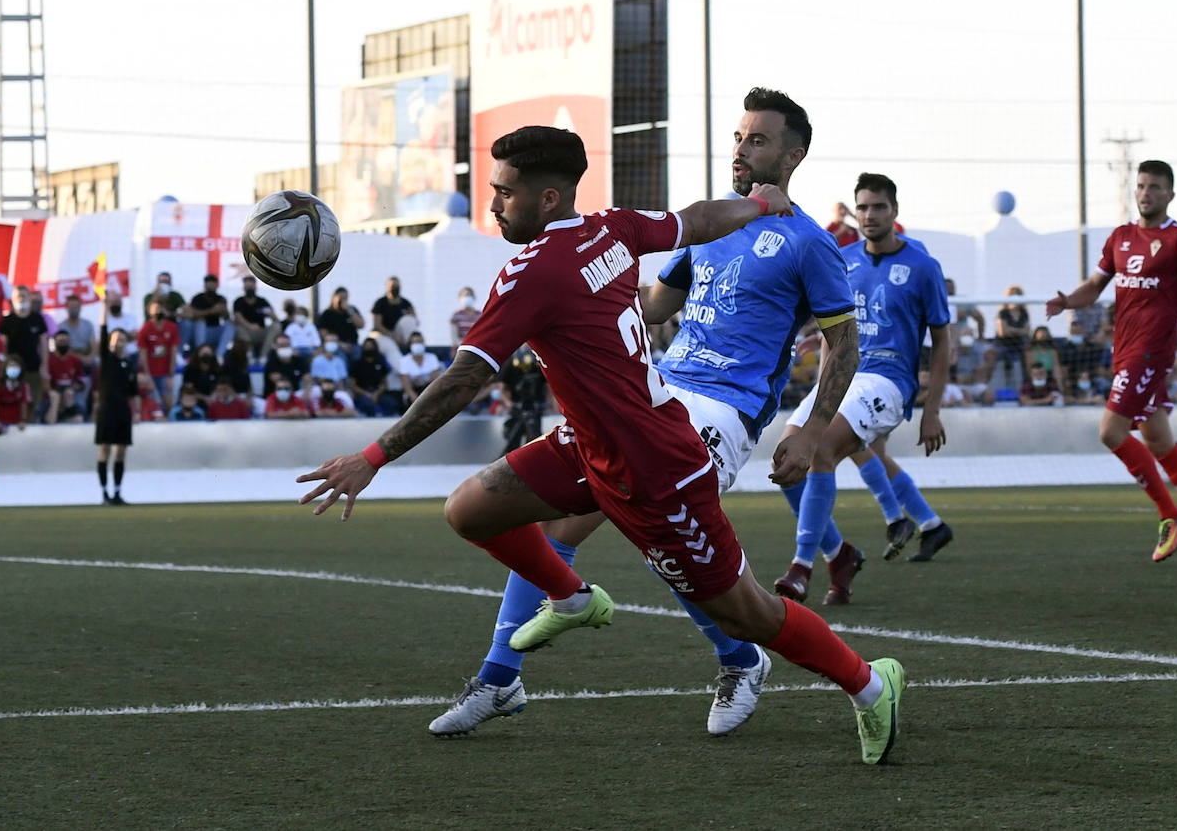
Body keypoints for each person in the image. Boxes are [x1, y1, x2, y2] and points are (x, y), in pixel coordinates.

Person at [298, 123, 905, 764]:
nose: (494, 205)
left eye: (504, 192)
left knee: (747, 613)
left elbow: (465, 379)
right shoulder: (613, 229)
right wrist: (757, 204)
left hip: (661, 467)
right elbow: (695, 223)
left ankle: (868, 684)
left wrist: (371, 458)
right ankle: (566, 602)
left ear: (549, 199)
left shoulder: (532, 273)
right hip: (598, 440)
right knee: (470, 508)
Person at [775, 171, 952, 604]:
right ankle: (840, 555)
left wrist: (931, 410)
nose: (870, 215)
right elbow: (830, 314)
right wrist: (817, 333)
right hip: (842, 374)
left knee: (818, 450)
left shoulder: (922, 266)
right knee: (786, 459)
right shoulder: (844, 258)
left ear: (894, 211)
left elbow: (943, 340)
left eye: (879, 207)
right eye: (864, 207)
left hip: (888, 381)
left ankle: (801, 566)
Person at [1047, 159, 1177, 564]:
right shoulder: (1120, 237)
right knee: (1158, 440)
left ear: (1170, 194)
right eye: (1140, 186)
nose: (1145, 193)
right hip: (1125, 350)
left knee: (1110, 431)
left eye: (1154, 187)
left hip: (1151, 352)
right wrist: (1067, 302)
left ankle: (1171, 514)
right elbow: (1094, 288)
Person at [94, 301, 141, 505]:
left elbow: (135, 391)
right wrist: (104, 308)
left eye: (121, 339)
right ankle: (105, 493)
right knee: (104, 449)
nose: (117, 342)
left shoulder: (130, 364)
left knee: (121, 452)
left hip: (123, 410)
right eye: (115, 339)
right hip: (106, 409)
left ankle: (118, 492)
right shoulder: (106, 359)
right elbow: (103, 331)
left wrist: (137, 412)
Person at [0, 286, 50, 423]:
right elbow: (3, 345)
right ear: (13, 299)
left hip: (33, 368)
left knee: (33, 401)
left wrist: (44, 367)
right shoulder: (7, 320)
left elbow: (44, 344)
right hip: (13, 370)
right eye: (18, 296)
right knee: (14, 401)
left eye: (24, 295)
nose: (21, 298)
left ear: (29, 298)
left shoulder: (37, 318)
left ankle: (30, 428)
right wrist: (3, 368)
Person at [137, 298, 181, 409]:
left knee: (168, 402)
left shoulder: (172, 328)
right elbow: (143, 354)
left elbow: (174, 351)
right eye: (155, 309)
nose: (158, 312)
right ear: (149, 312)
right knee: (152, 404)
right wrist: (148, 376)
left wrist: (171, 375)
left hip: (165, 373)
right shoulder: (144, 330)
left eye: (160, 308)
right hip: (151, 372)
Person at [183, 274, 233, 356]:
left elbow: (226, 317)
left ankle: (218, 356)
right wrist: (211, 311)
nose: (211, 286)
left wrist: (224, 311)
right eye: (209, 284)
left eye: (213, 284)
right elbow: (193, 314)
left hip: (214, 330)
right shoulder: (198, 298)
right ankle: (201, 353)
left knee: (231, 326)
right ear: (205, 285)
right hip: (200, 332)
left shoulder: (221, 298)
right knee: (200, 322)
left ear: (217, 285)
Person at [46, 329, 88, 423]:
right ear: (55, 343)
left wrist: (72, 388)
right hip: (53, 396)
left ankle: (65, 419)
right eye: (60, 341)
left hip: (70, 396)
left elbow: (82, 382)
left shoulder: (75, 360)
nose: (63, 344)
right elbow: (46, 385)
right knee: (54, 399)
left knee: (79, 418)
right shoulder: (49, 360)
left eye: (65, 341)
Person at [348, 336, 397, 417]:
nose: (369, 348)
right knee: (368, 404)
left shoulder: (380, 363)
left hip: (378, 393)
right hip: (362, 394)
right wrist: (367, 394)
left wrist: (376, 394)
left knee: (391, 402)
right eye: (367, 346)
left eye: (371, 346)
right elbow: (353, 385)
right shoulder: (357, 364)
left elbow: (385, 384)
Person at [232, 275, 274, 359]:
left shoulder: (262, 301)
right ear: (243, 287)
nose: (249, 289)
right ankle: (249, 353)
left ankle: (264, 355)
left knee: (276, 326)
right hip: (246, 332)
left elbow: (274, 317)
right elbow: (238, 317)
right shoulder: (238, 301)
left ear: (255, 287)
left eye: (251, 286)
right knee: (238, 328)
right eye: (247, 286)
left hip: (260, 331)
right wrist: (250, 326)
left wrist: (271, 314)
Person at [317, 287, 366, 359]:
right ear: (334, 298)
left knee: (359, 356)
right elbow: (323, 333)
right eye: (340, 299)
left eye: (345, 299)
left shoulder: (351, 310)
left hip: (353, 344)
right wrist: (339, 344)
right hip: (336, 345)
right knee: (341, 357)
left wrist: (350, 311)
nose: (342, 301)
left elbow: (361, 325)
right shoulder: (327, 314)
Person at [397, 331, 443, 408]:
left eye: (419, 342)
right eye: (414, 342)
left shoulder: (432, 357)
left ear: (423, 343)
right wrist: (413, 396)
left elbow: (436, 378)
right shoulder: (404, 360)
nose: (417, 344)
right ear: (410, 345)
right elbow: (405, 383)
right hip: (413, 391)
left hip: (429, 390)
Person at [995, 285, 1030, 384]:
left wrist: (1012, 330)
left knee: (1027, 352)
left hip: (1019, 343)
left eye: (1018, 294)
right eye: (1012, 294)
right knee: (1004, 354)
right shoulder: (1003, 312)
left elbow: (1027, 331)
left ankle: (1026, 381)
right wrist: (1019, 331)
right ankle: (1008, 382)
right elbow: (1003, 332)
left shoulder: (1024, 313)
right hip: (1004, 343)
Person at [370, 276, 416, 347]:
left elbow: (414, 320)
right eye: (392, 286)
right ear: (387, 287)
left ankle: (412, 346)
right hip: (383, 335)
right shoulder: (380, 303)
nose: (394, 288)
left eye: (396, 285)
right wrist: (393, 336)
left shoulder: (406, 303)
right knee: (390, 348)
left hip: (399, 335)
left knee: (408, 320)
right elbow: (377, 325)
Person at [0, 354, 32, 432]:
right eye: (11, 366)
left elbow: (25, 404)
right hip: (0, 424)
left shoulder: (24, 386)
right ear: (5, 368)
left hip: (17, 425)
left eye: (16, 366)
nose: (13, 368)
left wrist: (23, 421)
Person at [263, 333, 308, 400]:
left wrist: (306, 393)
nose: (284, 348)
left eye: (287, 345)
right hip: (276, 396)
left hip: (295, 394)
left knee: (316, 390)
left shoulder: (297, 359)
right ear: (275, 347)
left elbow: (308, 378)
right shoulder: (271, 361)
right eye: (281, 345)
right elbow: (280, 384)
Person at [57, 294, 97, 367]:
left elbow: (94, 346)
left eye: (76, 306)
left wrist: (91, 357)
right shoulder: (61, 327)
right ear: (66, 308)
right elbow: (61, 349)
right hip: (69, 358)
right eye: (71, 306)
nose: (74, 309)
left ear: (80, 307)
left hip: (87, 356)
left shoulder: (88, 324)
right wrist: (80, 359)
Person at [104, 291, 140, 358]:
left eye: (117, 302)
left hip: (132, 356)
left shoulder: (131, 318)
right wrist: (126, 336)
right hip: (112, 358)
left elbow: (135, 335)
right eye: (113, 302)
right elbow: (104, 338)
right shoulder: (105, 321)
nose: (115, 304)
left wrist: (115, 337)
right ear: (108, 303)